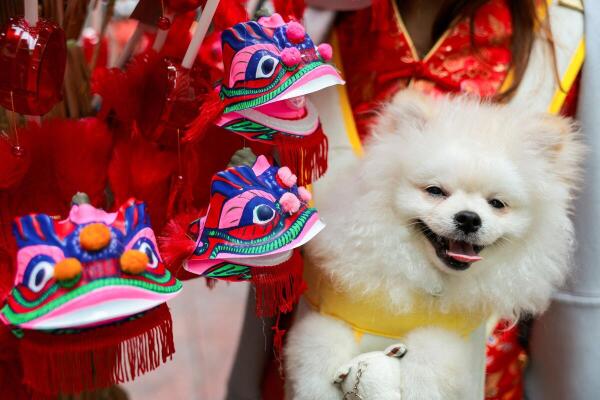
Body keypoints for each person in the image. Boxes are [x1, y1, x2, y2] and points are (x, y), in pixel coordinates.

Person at [226, 1, 584, 399]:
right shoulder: (307, 27)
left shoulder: (566, 31)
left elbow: (581, 273)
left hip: (475, 372)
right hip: (314, 349)